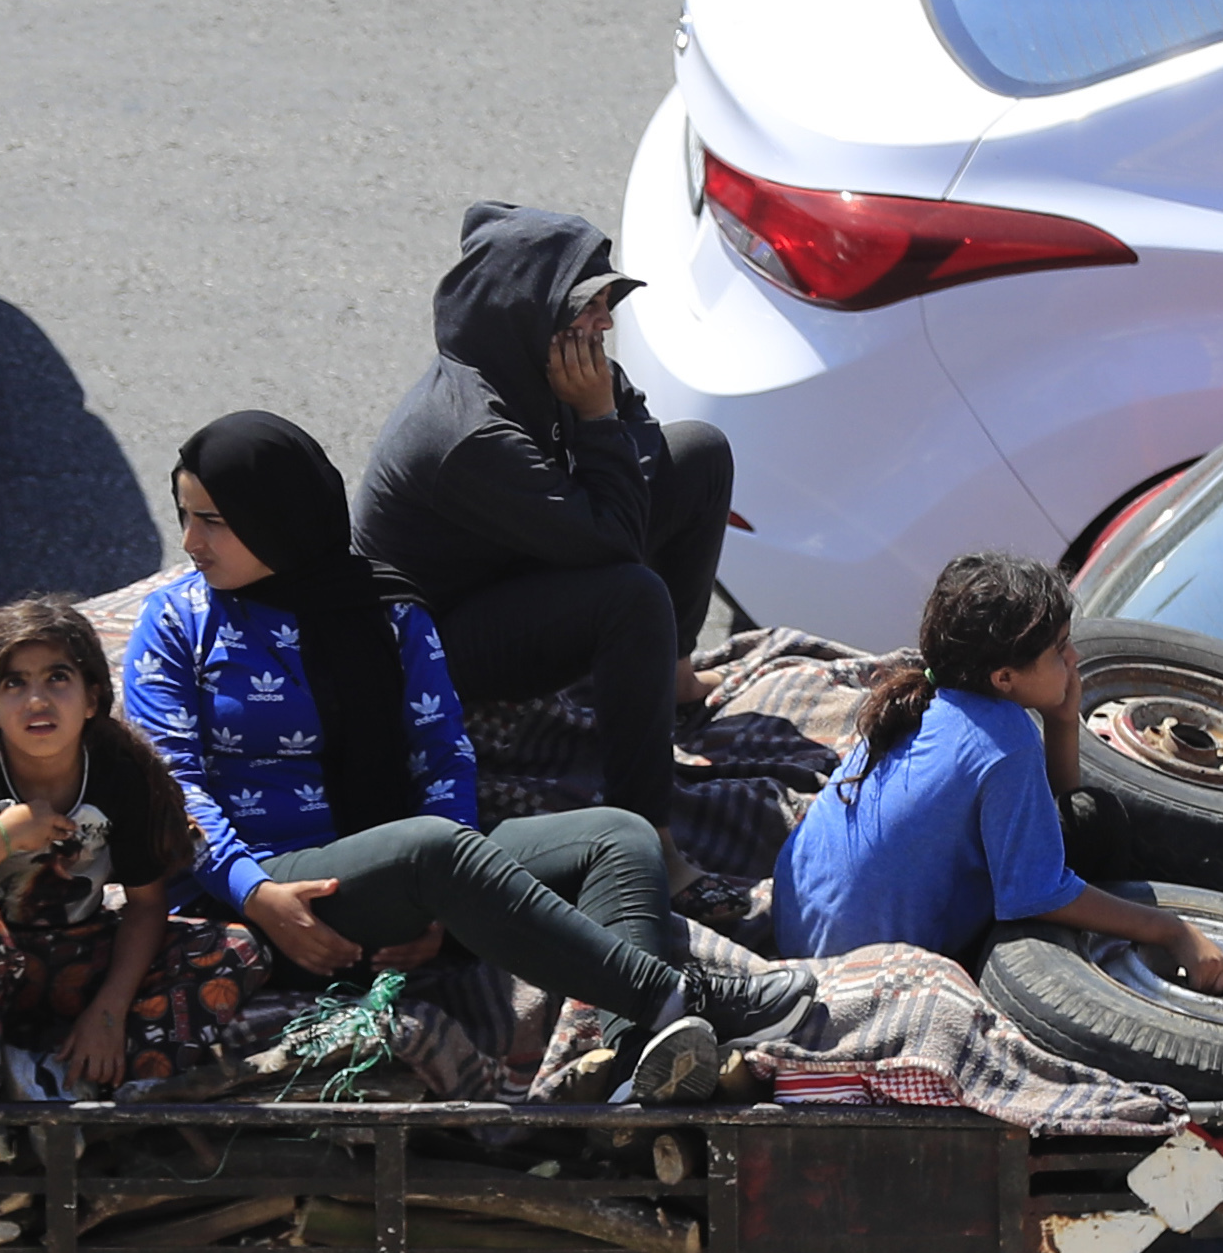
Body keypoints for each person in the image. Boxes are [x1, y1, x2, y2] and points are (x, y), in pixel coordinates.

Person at [127, 412, 785, 1098]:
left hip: (394, 877)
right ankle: (676, 999)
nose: (189, 541)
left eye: (213, 521)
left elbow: (441, 756)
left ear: (278, 517)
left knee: (617, 834)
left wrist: (444, 917)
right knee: (430, 849)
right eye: (185, 516)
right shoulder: (178, 623)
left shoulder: (384, 612)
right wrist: (256, 895)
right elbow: (169, 788)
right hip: (266, 900)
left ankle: (632, 1061)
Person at [353, 204, 735, 835]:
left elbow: (632, 440)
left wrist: (599, 420)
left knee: (699, 452)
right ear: (529, 310)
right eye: (589, 305)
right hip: (439, 636)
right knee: (630, 597)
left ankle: (672, 675)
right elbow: (615, 539)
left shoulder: (553, 360)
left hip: (513, 564)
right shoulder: (467, 434)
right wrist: (595, 420)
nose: (606, 322)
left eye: (608, 301)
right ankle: (643, 834)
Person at [772, 550, 1223, 989]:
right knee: (1101, 822)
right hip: (855, 967)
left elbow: (1057, 817)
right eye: (1058, 650)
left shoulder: (927, 697)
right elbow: (1036, 892)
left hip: (794, 930)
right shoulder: (1003, 737)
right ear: (1004, 678)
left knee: (1084, 817)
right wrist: (1171, 931)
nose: (1073, 659)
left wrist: (1062, 722)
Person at [0, 598, 271, 1099]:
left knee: (238, 949)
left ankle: (100, 1080)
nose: (37, 701)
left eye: (57, 678)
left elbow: (145, 905)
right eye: (15, 683)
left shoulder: (120, 770)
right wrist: (5, 834)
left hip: (81, 959)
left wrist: (109, 1012)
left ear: (91, 698)